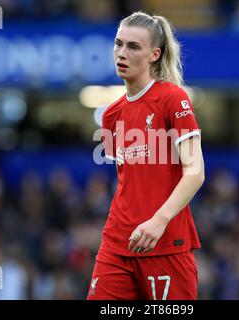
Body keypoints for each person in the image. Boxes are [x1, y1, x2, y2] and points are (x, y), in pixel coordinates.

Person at [87, 11, 205, 300]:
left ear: (154, 54)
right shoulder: (112, 114)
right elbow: (131, 181)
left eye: (133, 47)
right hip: (117, 243)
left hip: (165, 243)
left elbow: (196, 171)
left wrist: (159, 220)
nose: (121, 53)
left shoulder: (172, 98)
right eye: (118, 44)